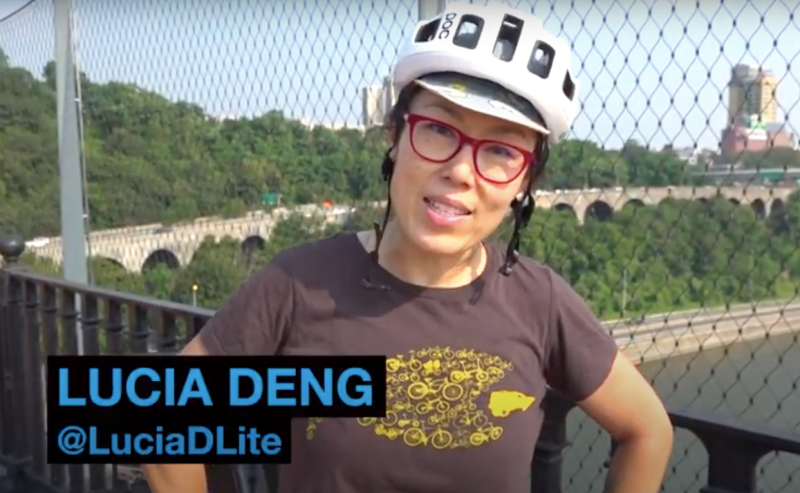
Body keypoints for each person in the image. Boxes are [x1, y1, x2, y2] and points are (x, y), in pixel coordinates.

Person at [143, 2, 673, 492]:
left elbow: (648, 430)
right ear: (394, 137)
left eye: (500, 151)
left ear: (524, 182)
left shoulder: (541, 302)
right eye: (439, 129)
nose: (461, 171)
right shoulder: (298, 284)